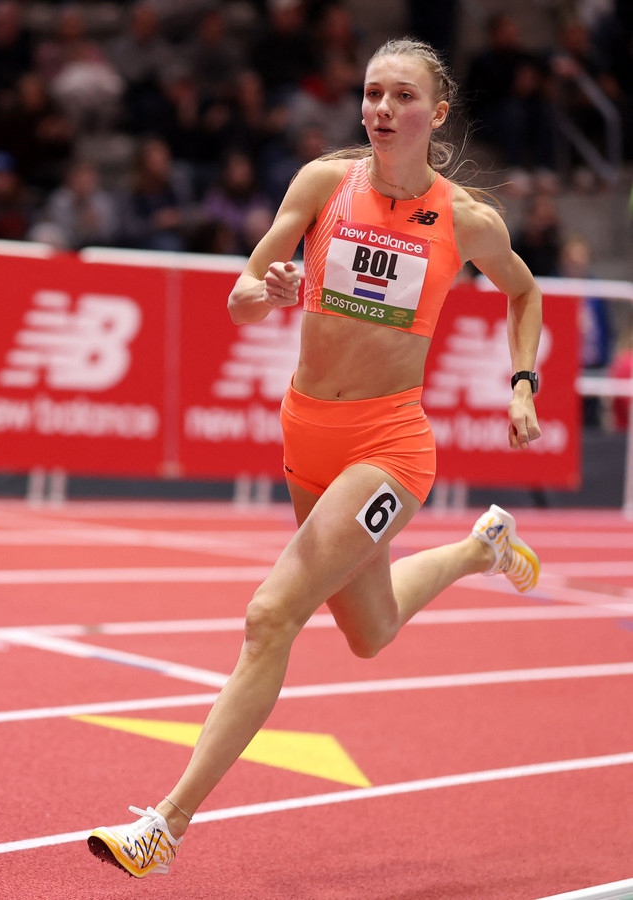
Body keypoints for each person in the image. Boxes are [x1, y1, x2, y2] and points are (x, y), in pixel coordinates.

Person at [87, 38, 544, 878]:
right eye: (371, 93)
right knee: (369, 632)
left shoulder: (465, 219)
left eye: (401, 96)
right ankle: (483, 547)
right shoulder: (323, 184)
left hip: (388, 447)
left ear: (435, 114)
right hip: (306, 437)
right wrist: (268, 291)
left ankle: (166, 824)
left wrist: (522, 385)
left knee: (270, 615)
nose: (379, 109)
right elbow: (239, 298)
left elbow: (524, 291)